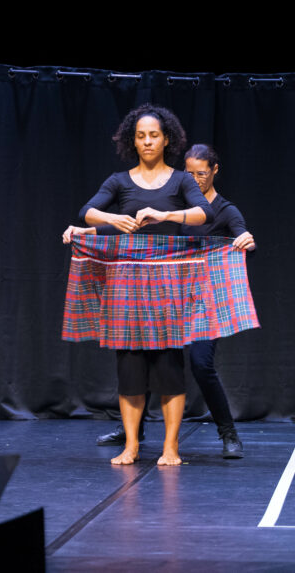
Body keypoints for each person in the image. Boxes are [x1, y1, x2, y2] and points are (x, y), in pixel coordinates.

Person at [74, 143, 255, 458]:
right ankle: (133, 430)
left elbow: (244, 239)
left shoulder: (225, 210)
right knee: (145, 353)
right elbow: (135, 231)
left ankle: (228, 433)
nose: (195, 180)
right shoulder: (178, 205)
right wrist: (87, 232)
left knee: (201, 363)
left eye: (202, 173)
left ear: (215, 171)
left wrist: (247, 241)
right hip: (170, 294)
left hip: (203, 299)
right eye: (190, 173)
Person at [63, 104, 213, 466]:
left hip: (167, 286)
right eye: (141, 136)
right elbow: (87, 212)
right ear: (133, 140)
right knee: (129, 370)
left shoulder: (181, 181)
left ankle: (171, 447)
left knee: (169, 369)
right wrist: (115, 219)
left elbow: (203, 213)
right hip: (126, 287)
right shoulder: (119, 181)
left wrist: (165, 214)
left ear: (167, 140)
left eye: (154, 135)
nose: (147, 141)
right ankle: (131, 445)